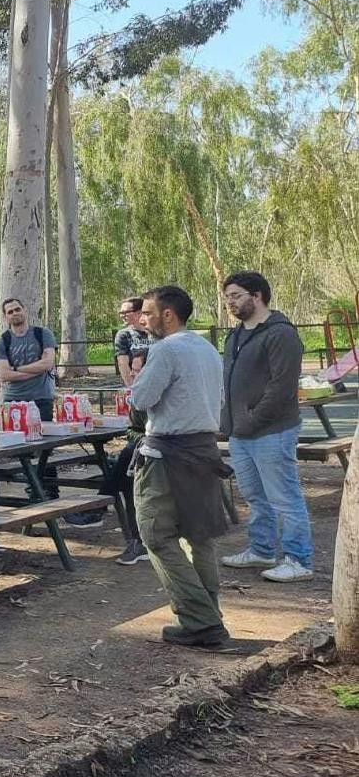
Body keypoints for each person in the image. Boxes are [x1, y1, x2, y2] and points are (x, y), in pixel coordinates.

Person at [128, 285, 232, 647]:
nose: (143, 319)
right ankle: (209, 615)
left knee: (156, 534)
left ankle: (201, 620)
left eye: (148, 313)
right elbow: (217, 398)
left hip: (167, 455)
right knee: (199, 536)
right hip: (204, 449)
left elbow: (141, 399)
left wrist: (136, 379)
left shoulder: (165, 349)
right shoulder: (206, 347)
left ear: (167, 315)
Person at [218, 270, 313, 583]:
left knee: (284, 497)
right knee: (255, 496)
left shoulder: (280, 333)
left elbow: (282, 386)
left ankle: (299, 559)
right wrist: (230, 422)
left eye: (236, 296)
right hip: (240, 432)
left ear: (257, 295)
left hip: (272, 431)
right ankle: (261, 548)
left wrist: (253, 418)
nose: (230, 303)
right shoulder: (236, 335)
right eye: (227, 297)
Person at [0, 298, 58, 423]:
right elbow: (4, 374)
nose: (15, 313)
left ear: (25, 310)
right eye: (10, 312)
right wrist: (36, 370)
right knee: (14, 441)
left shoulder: (43, 334)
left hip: (41, 400)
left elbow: (47, 363)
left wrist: (16, 369)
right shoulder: (3, 341)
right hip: (12, 401)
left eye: (17, 309)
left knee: (44, 440)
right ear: (5, 317)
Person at [114, 296, 152, 386]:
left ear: (139, 312)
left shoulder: (157, 333)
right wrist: (132, 388)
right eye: (121, 313)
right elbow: (123, 364)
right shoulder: (123, 335)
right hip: (137, 384)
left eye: (126, 312)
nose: (122, 316)